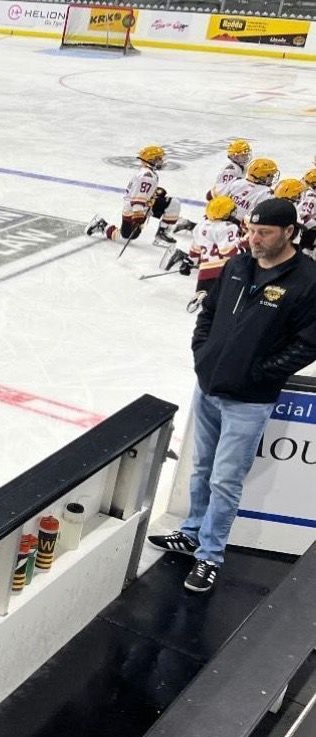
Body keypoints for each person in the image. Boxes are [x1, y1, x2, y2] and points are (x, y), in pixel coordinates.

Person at [148, 197, 316, 594]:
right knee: (202, 469)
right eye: (251, 230)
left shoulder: (307, 281)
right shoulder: (238, 265)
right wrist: (202, 353)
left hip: (249, 399)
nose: (253, 239)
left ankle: (209, 556)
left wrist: (259, 374)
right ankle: (191, 533)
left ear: (289, 232)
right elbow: (208, 313)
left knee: (225, 480)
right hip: (209, 385)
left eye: (264, 233)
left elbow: (308, 343)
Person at [85, 145, 179, 247]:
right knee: (125, 238)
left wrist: (154, 192)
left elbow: (141, 192)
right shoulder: (147, 176)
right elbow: (137, 199)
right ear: (152, 160)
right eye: (159, 159)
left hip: (142, 205)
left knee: (173, 204)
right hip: (133, 210)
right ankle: (102, 225)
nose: (162, 161)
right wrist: (137, 216)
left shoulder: (148, 173)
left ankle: (161, 235)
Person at [183, 195, 243, 311]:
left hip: (205, 269)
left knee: (205, 288)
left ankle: (201, 293)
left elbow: (196, 249)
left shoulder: (201, 226)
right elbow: (228, 251)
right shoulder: (228, 227)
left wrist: (190, 261)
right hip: (224, 269)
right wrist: (244, 251)